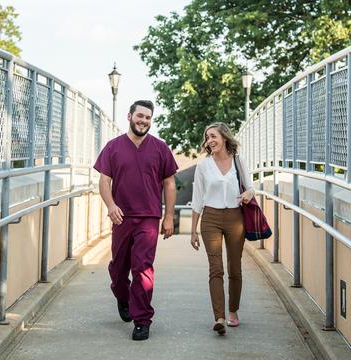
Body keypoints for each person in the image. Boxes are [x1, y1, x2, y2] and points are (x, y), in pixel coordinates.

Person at [94, 100, 178, 341]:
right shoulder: (113, 147)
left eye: (148, 118)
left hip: (149, 217)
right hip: (121, 217)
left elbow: (170, 182)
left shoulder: (160, 148)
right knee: (119, 269)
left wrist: (169, 216)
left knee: (142, 267)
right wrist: (111, 206)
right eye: (140, 116)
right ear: (130, 116)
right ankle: (123, 296)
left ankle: (142, 320)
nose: (144, 121)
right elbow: (103, 180)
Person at [190, 122, 254, 335]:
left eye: (213, 136)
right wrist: (193, 230)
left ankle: (233, 311)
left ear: (225, 137)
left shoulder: (239, 161)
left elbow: (251, 187)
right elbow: (197, 198)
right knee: (216, 268)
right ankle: (219, 317)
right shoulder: (203, 165)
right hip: (211, 218)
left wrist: (248, 194)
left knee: (235, 268)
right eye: (207, 137)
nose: (210, 141)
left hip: (236, 217)